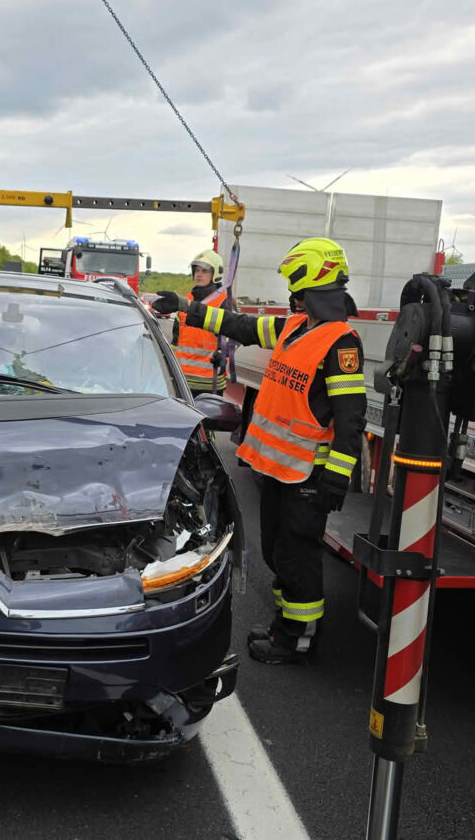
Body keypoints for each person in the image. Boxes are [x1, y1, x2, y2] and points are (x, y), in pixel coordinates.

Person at [152, 237, 366, 664]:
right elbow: (239, 326)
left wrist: (338, 476)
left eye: (295, 284)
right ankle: (285, 624)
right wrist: (183, 303)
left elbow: (350, 418)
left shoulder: (341, 344)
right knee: (275, 551)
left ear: (311, 281)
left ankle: (297, 640)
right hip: (280, 471)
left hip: (308, 475)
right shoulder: (295, 327)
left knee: (296, 556)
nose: (291, 293)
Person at [170, 249, 228, 396]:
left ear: (215, 274)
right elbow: (175, 341)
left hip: (210, 382)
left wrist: (224, 353)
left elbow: (235, 335)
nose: (199, 274)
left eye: (204, 271)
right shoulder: (185, 301)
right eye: (196, 270)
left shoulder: (223, 302)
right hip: (182, 381)